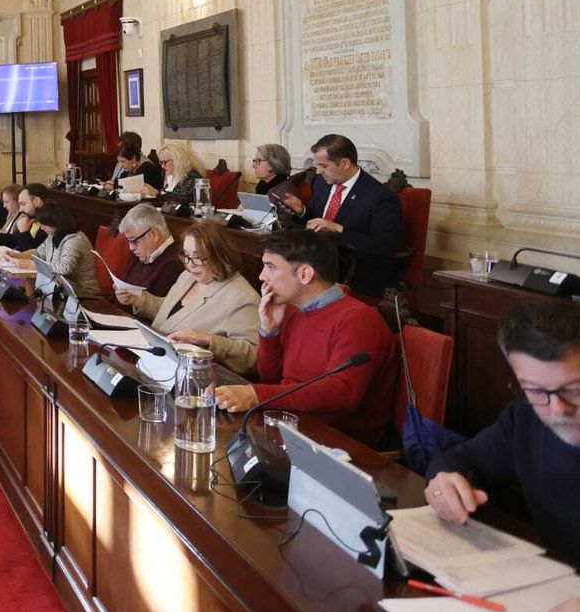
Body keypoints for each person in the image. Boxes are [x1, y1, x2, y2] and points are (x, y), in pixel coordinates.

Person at [425, 300, 580, 612]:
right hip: (552, 599)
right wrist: (444, 482)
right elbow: (461, 458)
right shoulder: (525, 417)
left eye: (577, 391)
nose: (557, 411)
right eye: (536, 391)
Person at [216, 230, 400, 446]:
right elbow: (271, 379)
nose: (261, 276)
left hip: (339, 443)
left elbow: (341, 394)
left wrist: (256, 395)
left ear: (304, 274)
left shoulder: (358, 318)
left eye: (271, 267)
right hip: (292, 424)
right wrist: (270, 331)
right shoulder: (293, 310)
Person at [122, 220, 259, 377]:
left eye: (198, 256)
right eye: (186, 255)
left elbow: (253, 356)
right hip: (156, 363)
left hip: (197, 378)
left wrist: (209, 340)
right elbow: (172, 316)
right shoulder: (188, 276)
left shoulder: (242, 297)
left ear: (220, 254)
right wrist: (139, 300)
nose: (190, 264)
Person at [277, 134, 401, 298]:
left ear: (344, 163)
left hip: (355, 272)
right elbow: (318, 222)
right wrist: (302, 212)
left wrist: (340, 229)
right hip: (317, 262)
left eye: (324, 166)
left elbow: (383, 248)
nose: (319, 171)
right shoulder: (321, 183)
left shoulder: (380, 197)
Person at [17, 204, 100, 299]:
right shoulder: (53, 235)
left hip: (84, 295)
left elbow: (65, 268)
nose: (42, 228)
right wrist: (16, 256)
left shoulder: (75, 239)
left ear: (57, 222)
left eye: (45, 224)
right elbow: (39, 252)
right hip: (62, 290)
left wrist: (31, 265)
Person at [115, 204, 187, 296]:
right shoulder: (143, 255)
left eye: (134, 241)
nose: (131, 248)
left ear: (154, 234)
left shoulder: (172, 266)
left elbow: (158, 309)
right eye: (128, 241)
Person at [146, 139, 208, 204]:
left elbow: (180, 200)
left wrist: (156, 193)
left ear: (178, 160)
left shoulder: (192, 176)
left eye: (165, 162)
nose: (163, 166)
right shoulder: (175, 175)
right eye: (161, 162)